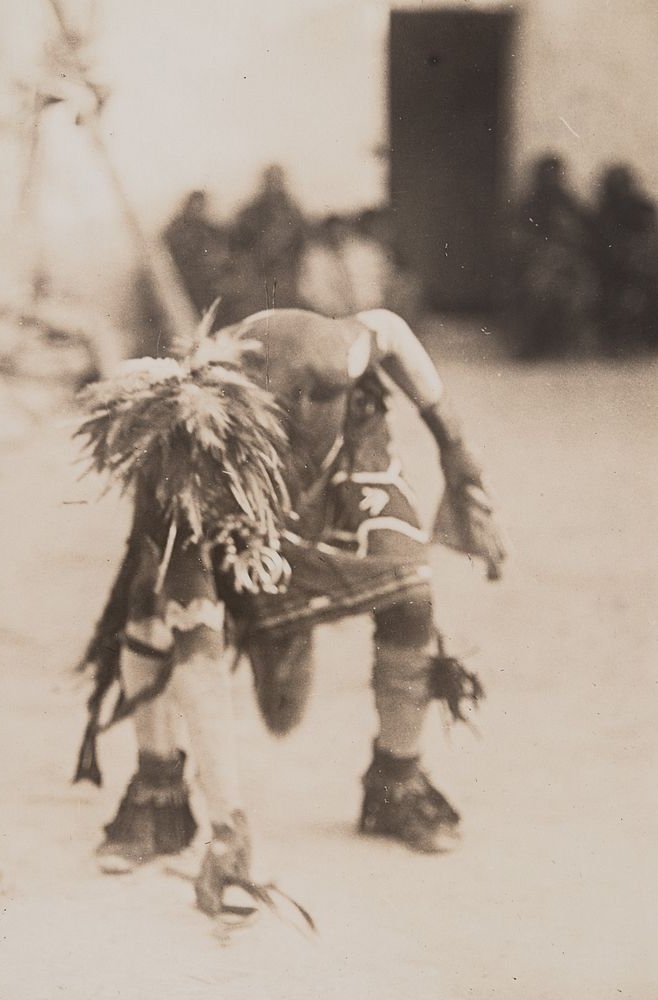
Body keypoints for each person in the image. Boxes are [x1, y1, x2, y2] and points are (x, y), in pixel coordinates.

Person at [75, 307, 505, 916]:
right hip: (233, 515)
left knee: (411, 595)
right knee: (150, 615)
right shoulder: (189, 469)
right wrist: (230, 824)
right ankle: (158, 793)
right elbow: (196, 654)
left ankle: (397, 782)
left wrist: (456, 446)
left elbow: (389, 329)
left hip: (344, 469)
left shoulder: (330, 362)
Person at [506, 154, 597, 360]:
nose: (551, 180)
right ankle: (532, 346)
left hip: (569, 263)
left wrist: (568, 239)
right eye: (547, 174)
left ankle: (567, 345)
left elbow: (585, 236)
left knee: (580, 291)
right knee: (537, 290)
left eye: (555, 174)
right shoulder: (528, 205)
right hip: (539, 262)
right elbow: (518, 239)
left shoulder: (569, 203)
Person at [592, 164, 658, 356]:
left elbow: (649, 240)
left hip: (643, 273)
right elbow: (601, 250)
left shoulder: (642, 209)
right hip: (614, 275)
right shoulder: (602, 215)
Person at [228, 164, 307, 315]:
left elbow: (301, 245)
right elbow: (238, 245)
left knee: (286, 315)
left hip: (286, 276)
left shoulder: (292, 211)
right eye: (271, 180)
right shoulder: (250, 212)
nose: (274, 184)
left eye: (278, 180)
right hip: (258, 276)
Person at [163, 190, 229, 315]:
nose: (197, 209)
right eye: (194, 205)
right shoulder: (177, 229)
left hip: (211, 278)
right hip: (191, 280)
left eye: (201, 206)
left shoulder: (208, 228)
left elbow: (221, 247)